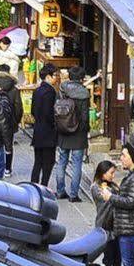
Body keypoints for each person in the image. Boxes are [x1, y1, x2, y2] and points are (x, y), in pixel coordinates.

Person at [54, 65, 91, 201]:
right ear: (81, 78)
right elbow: (85, 116)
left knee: (62, 161)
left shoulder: (62, 89)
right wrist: (86, 129)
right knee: (76, 164)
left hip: (63, 129)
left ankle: (60, 191)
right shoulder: (84, 93)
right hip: (78, 133)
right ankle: (74, 195)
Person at [91, 160, 124, 266]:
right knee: (108, 257)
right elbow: (107, 198)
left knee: (118, 256)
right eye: (111, 173)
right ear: (103, 173)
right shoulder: (96, 187)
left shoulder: (113, 186)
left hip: (116, 225)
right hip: (105, 225)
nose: (113, 176)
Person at [29, 67, 60, 190]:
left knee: (38, 162)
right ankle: (43, 187)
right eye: (54, 76)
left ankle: (33, 186)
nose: (56, 78)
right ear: (48, 77)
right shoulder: (50, 92)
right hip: (48, 132)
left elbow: (32, 110)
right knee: (48, 162)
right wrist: (54, 125)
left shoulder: (37, 90)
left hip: (38, 130)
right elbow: (49, 113)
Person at [0, 74, 19, 179]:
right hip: (9, 122)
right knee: (8, 146)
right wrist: (15, 121)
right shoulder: (14, 89)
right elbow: (18, 107)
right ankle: (7, 169)